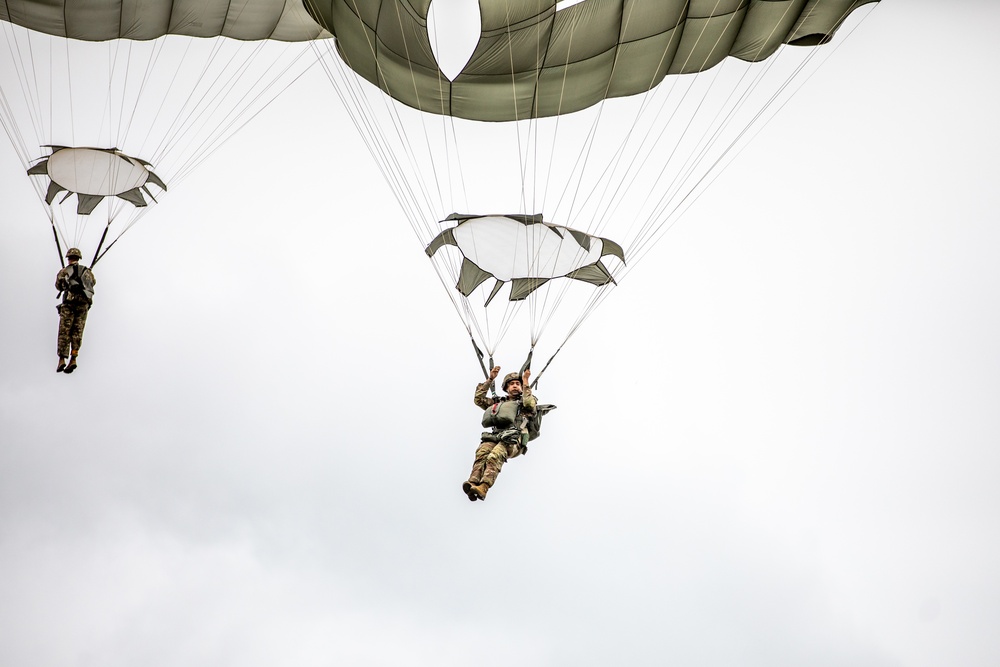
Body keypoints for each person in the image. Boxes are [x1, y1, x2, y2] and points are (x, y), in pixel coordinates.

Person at [462, 366, 537, 501]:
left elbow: (530, 404)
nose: (515, 386)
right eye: (511, 384)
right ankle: (473, 483)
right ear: (506, 388)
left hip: (514, 439)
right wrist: (490, 379)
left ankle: (484, 487)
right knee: (482, 453)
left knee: (495, 455)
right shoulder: (498, 403)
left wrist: (526, 381)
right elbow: (478, 399)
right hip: (496, 436)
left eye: (517, 384)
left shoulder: (525, 401)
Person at [54, 247, 96, 373]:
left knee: (64, 332)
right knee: (77, 332)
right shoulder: (87, 272)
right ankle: (73, 358)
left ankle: (62, 359)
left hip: (69, 305)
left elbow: (58, 286)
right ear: (79, 258)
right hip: (83, 306)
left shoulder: (64, 271)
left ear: (68, 258)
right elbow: (93, 283)